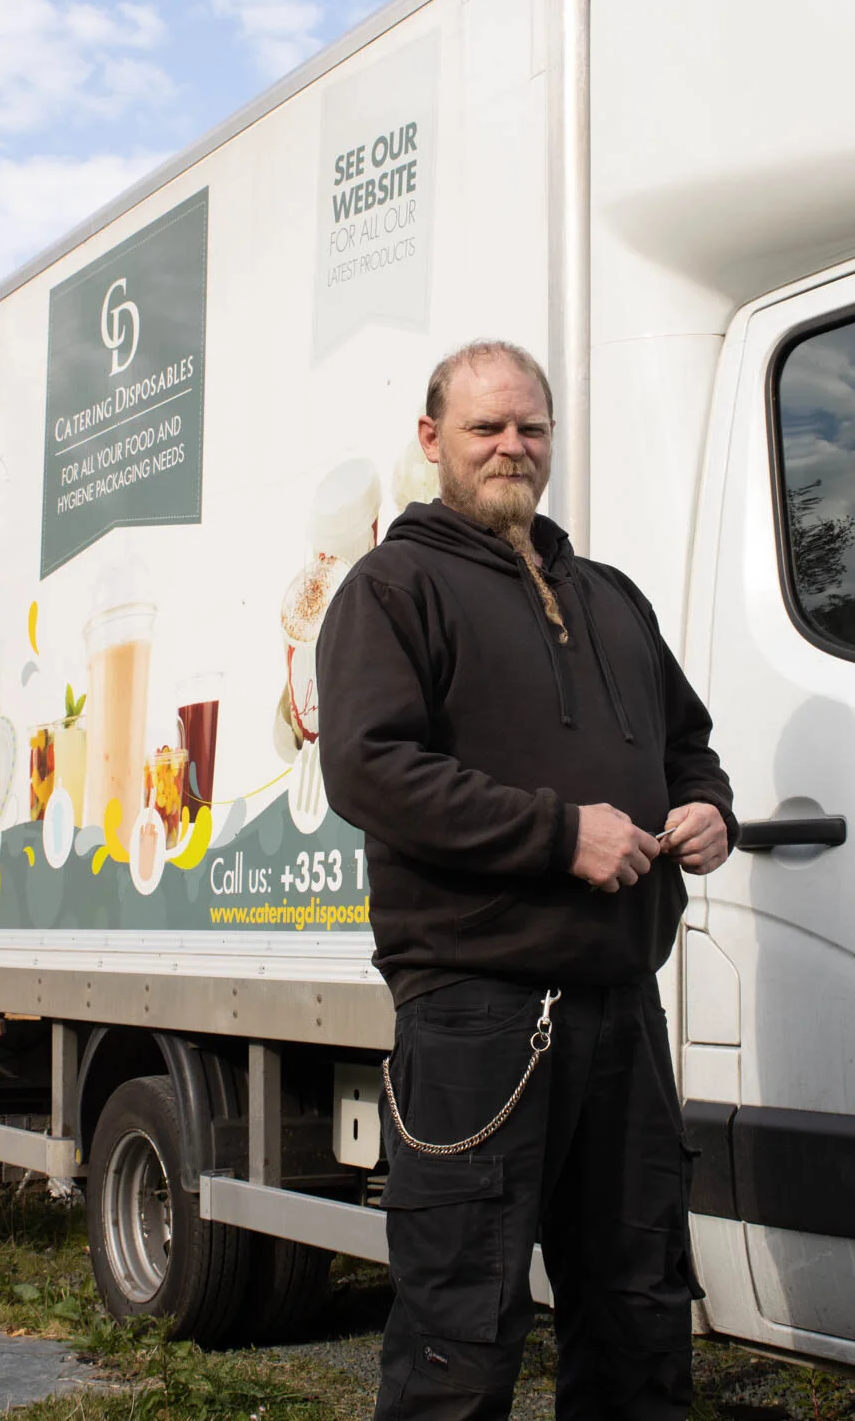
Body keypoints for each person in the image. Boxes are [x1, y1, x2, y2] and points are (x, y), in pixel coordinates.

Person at [316, 341, 737, 1421]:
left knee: (642, 1312)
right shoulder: (392, 587)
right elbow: (369, 768)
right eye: (486, 427)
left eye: (531, 427)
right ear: (432, 440)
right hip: (478, 1011)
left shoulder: (612, 598)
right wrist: (560, 836)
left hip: (622, 1006)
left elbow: (686, 745)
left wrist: (708, 810)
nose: (512, 445)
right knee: (460, 1332)